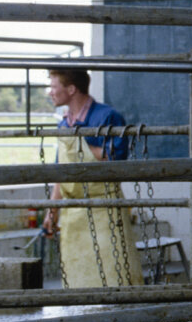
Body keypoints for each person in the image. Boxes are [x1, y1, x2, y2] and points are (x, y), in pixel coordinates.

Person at [38, 64, 141, 287]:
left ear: (72, 89)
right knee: (78, 277)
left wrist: (79, 145)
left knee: (113, 273)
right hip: (74, 212)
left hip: (104, 207)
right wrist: (52, 212)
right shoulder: (64, 124)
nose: (50, 91)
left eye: (54, 86)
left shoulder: (107, 117)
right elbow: (60, 173)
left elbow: (116, 157)